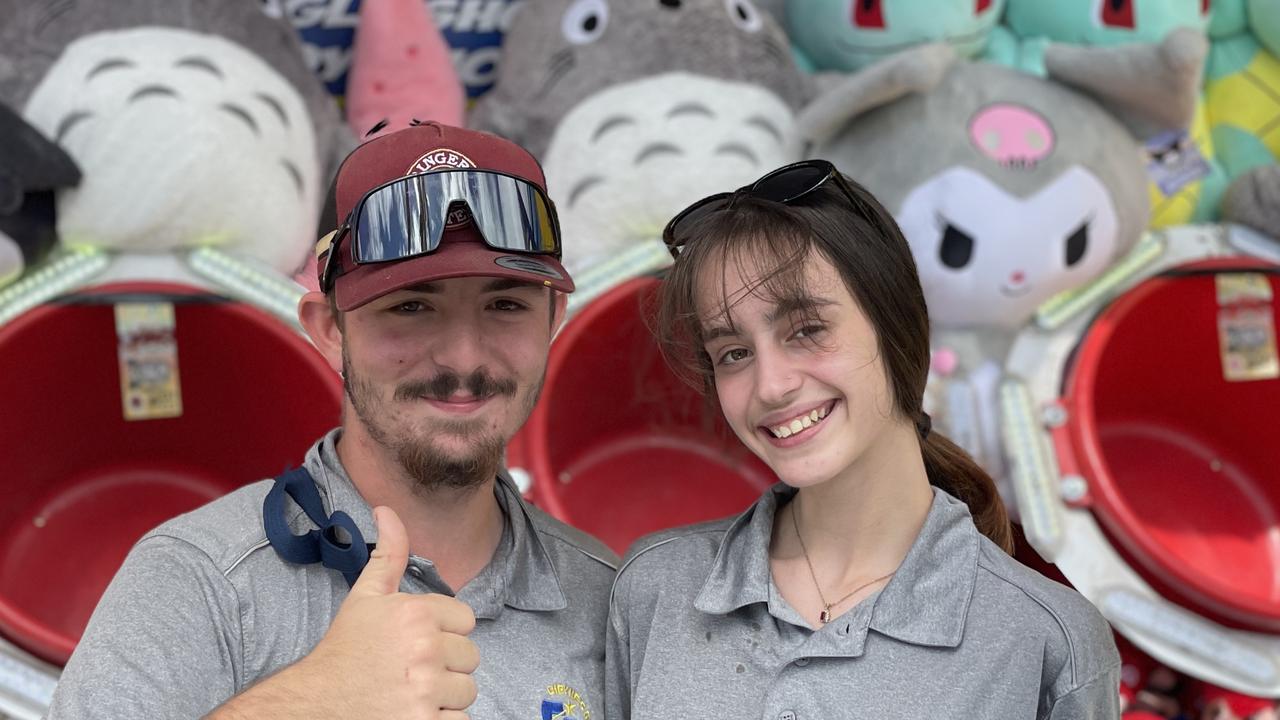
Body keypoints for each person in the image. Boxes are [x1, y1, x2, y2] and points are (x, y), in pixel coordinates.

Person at [48, 122, 618, 719]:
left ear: (553, 319)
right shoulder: (198, 577)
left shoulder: (609, 599)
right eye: (411, 306)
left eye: (505, 305)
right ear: (327, 328)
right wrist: (308, 704)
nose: (463, 357)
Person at [605, 160, 1121, 718]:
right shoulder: (654, 587)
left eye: (807, 330)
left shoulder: (1048, 642)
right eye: (734, 352)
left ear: (895, 323)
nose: (771, 385)